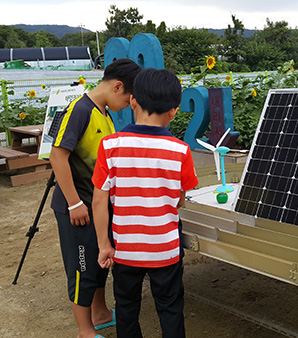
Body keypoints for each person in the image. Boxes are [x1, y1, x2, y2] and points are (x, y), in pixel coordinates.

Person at [91, 68, 198, 338]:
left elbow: (99, 201)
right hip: (165, 249)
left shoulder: (109, 146)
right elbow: (180, 199)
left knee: (127, 308)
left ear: (133, 101)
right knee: (170, 308)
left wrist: (105, 245)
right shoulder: (180, 151)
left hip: (126, 250)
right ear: (174, 111)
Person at [49, 58, 142, 338]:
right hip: (77, 206)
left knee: (101, 261)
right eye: (129, 99)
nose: (128, 105)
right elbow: (57, 156)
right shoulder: (79, 110)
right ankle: (85, 330)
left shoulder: (104, 111)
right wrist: (75, 203)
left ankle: (100, 313)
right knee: (81, 267)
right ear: (117, 86)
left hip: (97, 205)